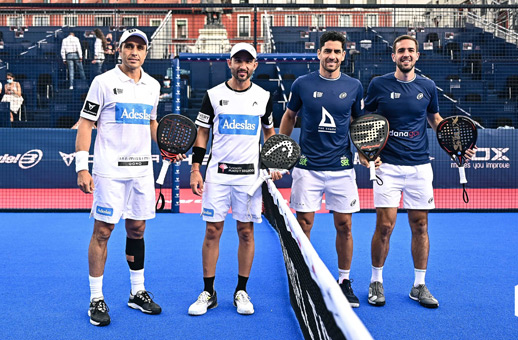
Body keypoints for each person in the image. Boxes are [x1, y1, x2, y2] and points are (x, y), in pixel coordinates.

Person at [363, 35, 474, 309]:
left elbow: (435, 120)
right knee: (385, 226)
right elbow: (364, 122)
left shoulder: (428, 86)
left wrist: (455, 146)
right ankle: (376, 280)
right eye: (401, 50)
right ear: (393, 56)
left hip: (419, 167)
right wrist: (365, 153)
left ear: (417, 55)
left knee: (421, 225)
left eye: (411, 50)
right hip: (386, 165)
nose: (406, 54)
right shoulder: (378, 85)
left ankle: (419, 285)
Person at [75, 28, 165, 327]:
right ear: (120, 50)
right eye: (129, 46)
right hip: (109, 171)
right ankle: (96, 298)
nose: (134, 52)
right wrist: (82, 167)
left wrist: (165, 144)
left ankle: (136, 292)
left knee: (137, 230)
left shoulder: (152, 85)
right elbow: (86, 124)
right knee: (103, 231)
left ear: (146, 52)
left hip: (141, 171)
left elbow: (152, 122)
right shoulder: (103, 82)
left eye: (140, 47)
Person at [187, 43, 281, 316]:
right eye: (237, 60)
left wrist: (272, 163)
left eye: (247, 61)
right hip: (218, 176)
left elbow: (269, 133)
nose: (242, 66)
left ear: (255, 66)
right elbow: (202, 133)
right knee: (213, 231)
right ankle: (208, 291)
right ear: (229, 63)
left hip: (249, 179)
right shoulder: (213, 95)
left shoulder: (263, 97)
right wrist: (196, 170)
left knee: (246, 232)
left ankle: (241, 290)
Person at [279, 31, 364, 308]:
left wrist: (364, 152)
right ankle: (305, 277)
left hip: (341, 168)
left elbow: (358, 124)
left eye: (337, 52)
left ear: (343, 55)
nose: (332, 56)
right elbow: (290, 116)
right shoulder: (302, 84)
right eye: (327, 51)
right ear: (318, 53)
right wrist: (282, 152)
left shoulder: (354, 86)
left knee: (345, 226)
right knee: (303, 225)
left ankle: (344, 281)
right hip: (307, 168)